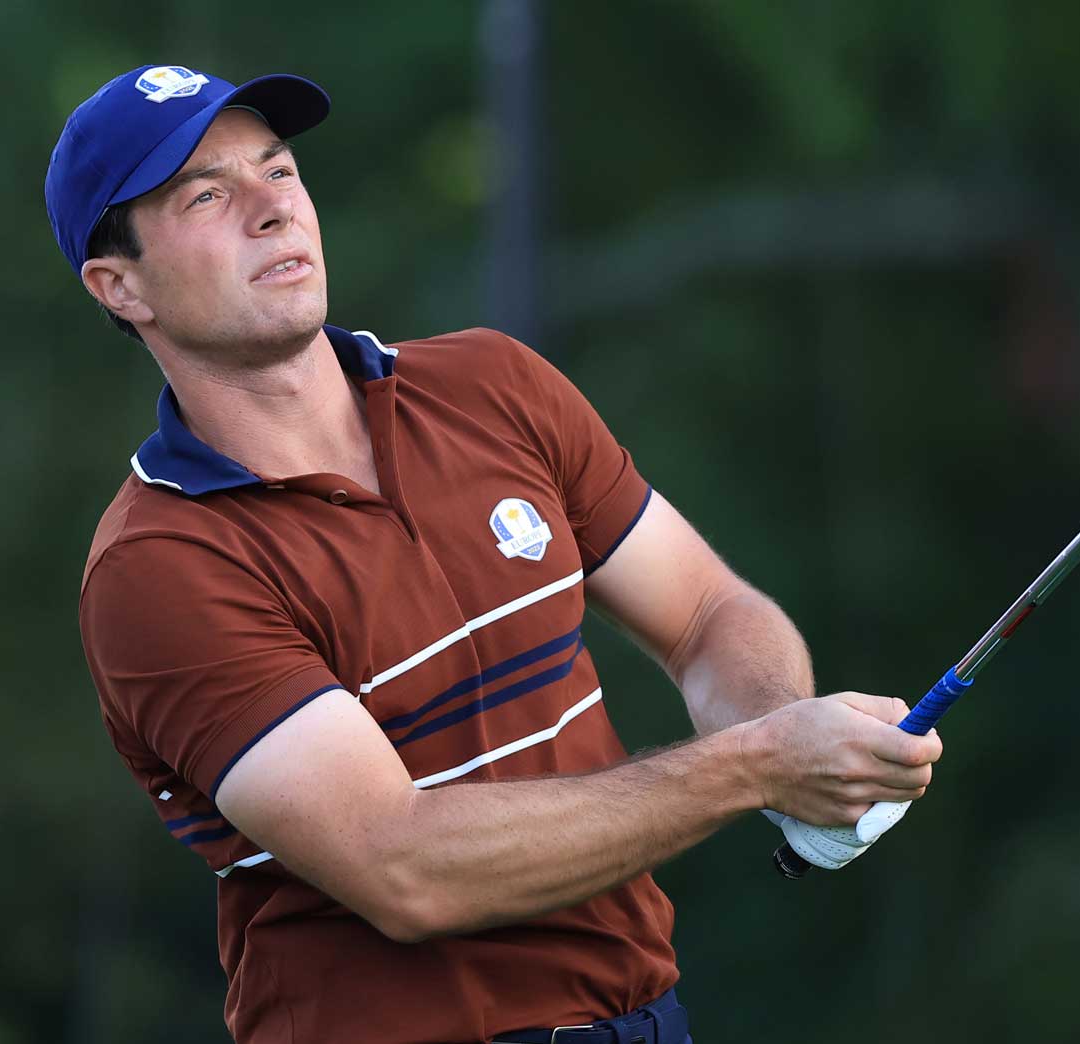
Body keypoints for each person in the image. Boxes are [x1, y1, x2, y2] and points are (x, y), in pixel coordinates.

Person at [50, 63, 943, 1044]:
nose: (273, 209)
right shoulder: (159, 565)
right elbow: (404, 867)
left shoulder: (492, 386)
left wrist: (788, 733)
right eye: (206, 196)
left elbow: (704, 613)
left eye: (279, 170)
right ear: (119, 285)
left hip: (648, 1022)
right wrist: (759, 765)